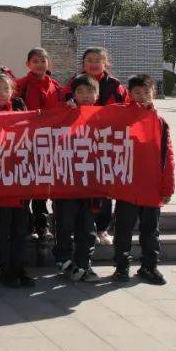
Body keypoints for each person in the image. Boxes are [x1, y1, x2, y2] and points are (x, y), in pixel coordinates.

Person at [114, 74, 174, 285]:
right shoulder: (120, 116)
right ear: (129, 94)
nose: (142, 97)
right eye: (137, 93)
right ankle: (121, 267)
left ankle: (149, 267)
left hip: (152, 186)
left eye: (146, 93)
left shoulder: (160, 122)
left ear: (153, 94)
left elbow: (168, 157)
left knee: (150, 231)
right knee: (123, 228)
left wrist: (168, 187)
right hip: (127, 185)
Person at [66, 47, 128, 244]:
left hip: (105, 144)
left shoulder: (115, 86)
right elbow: (61, 107)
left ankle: (102, 228)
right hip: (78, 144)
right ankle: (80, 227)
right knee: (79, 187)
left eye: (97, 60)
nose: (93, 63)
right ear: (83, 63)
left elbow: (125, 111)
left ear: (105, 64)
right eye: (89, 60)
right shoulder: (73, 83)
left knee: (105, 189)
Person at [0, 73, 36, 288]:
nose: (2, 93)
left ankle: (20, 267)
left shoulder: (22, 113)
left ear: (13, 91)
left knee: (21, 228)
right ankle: (5, 270)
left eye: (6, 89)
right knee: (3, 229)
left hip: (20, 178)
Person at [52, 75, 101, 282]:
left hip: (91, 183)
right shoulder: (64, 114)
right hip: (67, 182)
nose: (85, 96)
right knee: (65, 222)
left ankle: (84, 263)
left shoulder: (103, 116)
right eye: (80, 92)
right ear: (73, 94)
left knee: (88, 227)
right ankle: (63, 258)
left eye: (90, 92)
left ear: (96, 95)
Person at [16, 47, 64, 241]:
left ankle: (42, 226)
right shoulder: (20, 85)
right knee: (25, 187)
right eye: (35, 61)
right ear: (28, 64)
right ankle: (27, 227)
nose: (39, 64)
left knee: (42, 188)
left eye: (42, 61)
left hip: (49, 144)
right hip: (25, 143)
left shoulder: (57, 87)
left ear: (48, 63)